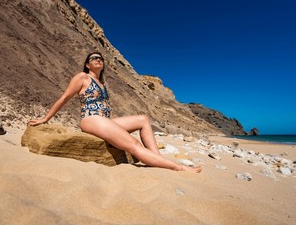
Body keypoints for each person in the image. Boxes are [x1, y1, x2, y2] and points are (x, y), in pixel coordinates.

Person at [28, 52, 202, 173]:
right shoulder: (82, 77)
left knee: (143, 119)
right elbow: (64, 98)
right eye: (93, 58)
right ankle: (179, 168)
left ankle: (157, 159)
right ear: (88, 64)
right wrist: (45, 118)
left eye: (100, 58)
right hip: (90, 119)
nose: (97, 59)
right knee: (133, 144)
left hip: (105, 121)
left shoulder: (102, 83)